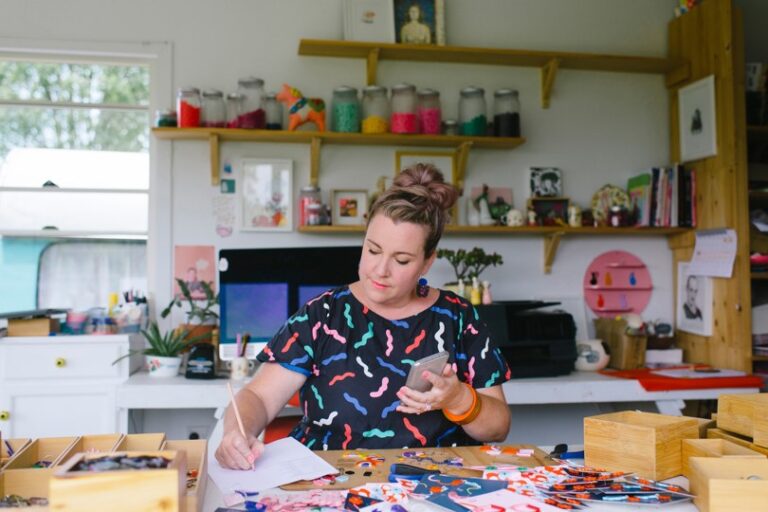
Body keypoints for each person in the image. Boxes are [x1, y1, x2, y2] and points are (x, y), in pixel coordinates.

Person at [215, 164, 512, 470]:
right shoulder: (323, 314)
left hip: (433, 486)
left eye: (401, 260)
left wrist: (460, 399)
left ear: (427, 262)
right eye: (373, 250)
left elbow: (499, 427)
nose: (380, 270)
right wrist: (237, 432)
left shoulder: (458, 318)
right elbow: (258, 398)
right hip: (332, 484)